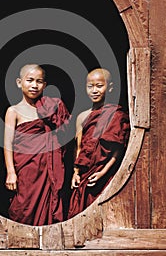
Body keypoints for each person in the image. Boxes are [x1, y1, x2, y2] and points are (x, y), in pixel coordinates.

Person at [4, 64, 71, 226]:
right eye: (30, 80)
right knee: (23, 208)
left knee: (49, 208)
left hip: (49, 171)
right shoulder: (14, 111)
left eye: (39, 81)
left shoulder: (51, 108)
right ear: (19, 83)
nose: (34, 85)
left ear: (45, 85)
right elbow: (8, 143)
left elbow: (66, 134)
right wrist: (11, 172)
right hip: (26, 170)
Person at [67, 68, 130, 219]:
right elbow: (79, 147)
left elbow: (118, 149)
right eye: (90, 86)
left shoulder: (116, 114)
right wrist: (75, 173)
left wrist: (104, 172)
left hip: (105, 173)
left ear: (110, 87)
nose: (94, 90)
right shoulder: (82, 116)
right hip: (84, 175)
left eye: (99, 86)